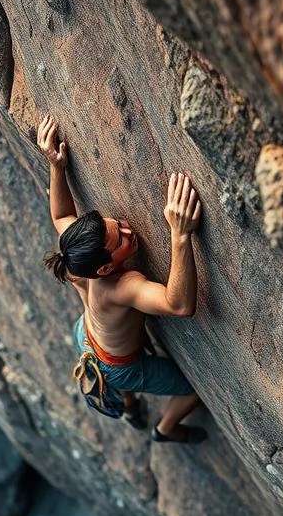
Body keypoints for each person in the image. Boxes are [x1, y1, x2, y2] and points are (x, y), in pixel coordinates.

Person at [37, 114, 207, 444]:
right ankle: (165, 429)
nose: (128, 228)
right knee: (191, 391)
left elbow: (61, 216)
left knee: (101, 333)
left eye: (114, 224)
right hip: (120, 365)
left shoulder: (76, 258)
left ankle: (129, 405)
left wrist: (56, 166)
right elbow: (179, 304)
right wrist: (180, 235)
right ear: (105, 268)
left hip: (86, 336)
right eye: (122, 240)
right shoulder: (123, 286)